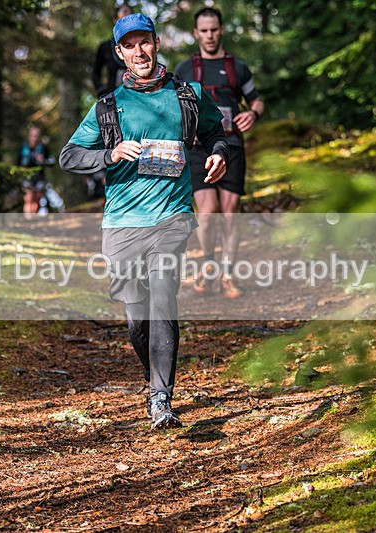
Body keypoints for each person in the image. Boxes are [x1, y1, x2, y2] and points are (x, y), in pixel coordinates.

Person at [60, 13, 229, 429]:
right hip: (122, 223)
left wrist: (218, 153)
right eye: (130, 45)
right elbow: (69, 156)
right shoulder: (108, 106)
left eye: (145, 42)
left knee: (163, 298)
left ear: (156, 43)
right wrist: (110, 154)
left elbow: (215, 132)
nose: (139, 52)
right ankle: (154, 377)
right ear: (119, 53)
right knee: (138, 321)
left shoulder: (189, 94)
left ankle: (161, 398)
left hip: (172, 216)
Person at [175, 7, 265, 299]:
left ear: (221, 30)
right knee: (208, 211)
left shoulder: (237, 67)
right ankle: (208, 264)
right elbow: (172, 106)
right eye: (204, 30)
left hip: (232, 146)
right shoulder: (184, 70)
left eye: (214, 29)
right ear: (196, 33)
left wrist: (252, 113)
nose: (210, 35)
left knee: (230, 214)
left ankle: (228, 275)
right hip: (198, 148)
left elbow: (257, 101)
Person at [91, 4, 132, 98]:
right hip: (113, 96)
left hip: (136, 95)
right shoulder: (106, 47)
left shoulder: (138, 46)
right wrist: (100, 90)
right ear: (115, 20)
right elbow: (95, 72)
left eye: (130, 18)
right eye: (124, 14)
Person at [16, 126, 54, 218]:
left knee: (37, 201)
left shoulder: (43, 148)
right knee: (29, 199)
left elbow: (52, 162)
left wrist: (43, 161)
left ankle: (34, 219)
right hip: (27, 177)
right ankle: (28, 219)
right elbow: (17, 163)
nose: (35, 138)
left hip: (39, 177)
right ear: (29, 136)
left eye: (37, 135)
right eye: (33, 135)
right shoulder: (23, 148)